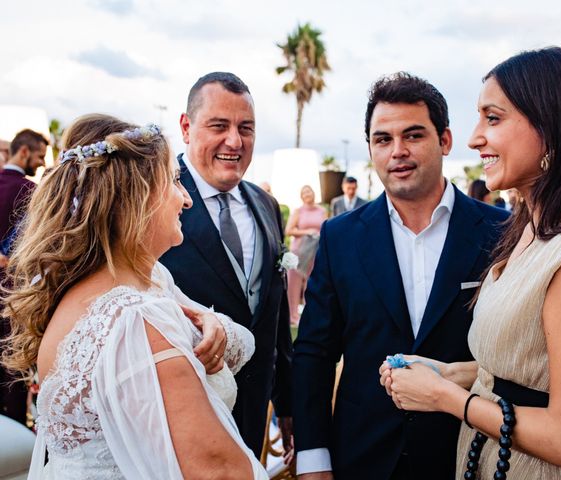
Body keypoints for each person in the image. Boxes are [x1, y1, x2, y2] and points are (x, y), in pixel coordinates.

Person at [381, 47, 561, 479]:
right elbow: (529, 372)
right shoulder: (530, 230)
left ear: (551, 126)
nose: (474, 137)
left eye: (493, 118)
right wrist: (448, 373)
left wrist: (445, 398)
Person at [0, 114, 268, 479]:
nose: (186, 199)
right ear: (137, 197)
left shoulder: (131, 285)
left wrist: (212, 322)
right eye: (173, 180)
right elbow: (219, 472)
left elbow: (242, 342)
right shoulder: (132, 320)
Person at [292, 72, 509, 480]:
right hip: (363, 455)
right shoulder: (341, 237)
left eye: (413, 136)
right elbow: (314, 353)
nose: (398, 152)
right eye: (383, 139)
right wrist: (313, 458)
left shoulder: (501, 232)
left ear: (444, 140)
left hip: (467, 451)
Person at [160, 72, 293, 459]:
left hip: (252, 413)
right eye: (219, 126)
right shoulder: (151, 201)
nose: (234, 141)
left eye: (245, 128)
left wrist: (286, 403)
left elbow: (275, 313)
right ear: (186, 127)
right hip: (180, 417)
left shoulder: (266, 206)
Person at [0, 129, 48, 424]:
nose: (42, 164)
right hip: (13, 294)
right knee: (12, 371)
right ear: (25, 152)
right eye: (40, 156)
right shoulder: (30, 192)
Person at [285, 185, 327, 325]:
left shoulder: (322, 211)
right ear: (301, 196)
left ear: (314, 193)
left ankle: (313, 315)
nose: (307, 194)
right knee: (293, 284)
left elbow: (327, 228)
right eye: (304, 192)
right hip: (299, 252)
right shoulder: (298, 211)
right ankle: (293, 316)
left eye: (309, 191)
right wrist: (307, 231)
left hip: (316, 252)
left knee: (314, 283)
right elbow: (289, 230)